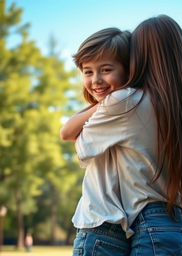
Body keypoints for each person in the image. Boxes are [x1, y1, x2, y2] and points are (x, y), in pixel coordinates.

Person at [61, 15, 182, 256]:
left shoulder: (126, 100)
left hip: (137, 224)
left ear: (139, 57)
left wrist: (104, 103)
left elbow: (74, 137)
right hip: (180, 226)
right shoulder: (181, 107)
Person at [60, 27, 132, 255]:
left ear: (129, 69)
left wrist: (108, 102)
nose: (96, 80)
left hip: (105, 227)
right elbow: (67, 131)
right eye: (88, 72)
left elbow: (67, 131)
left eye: (106, 70)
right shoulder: (113, 106)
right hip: (104, 227)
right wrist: (105, 103)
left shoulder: (124, 103)